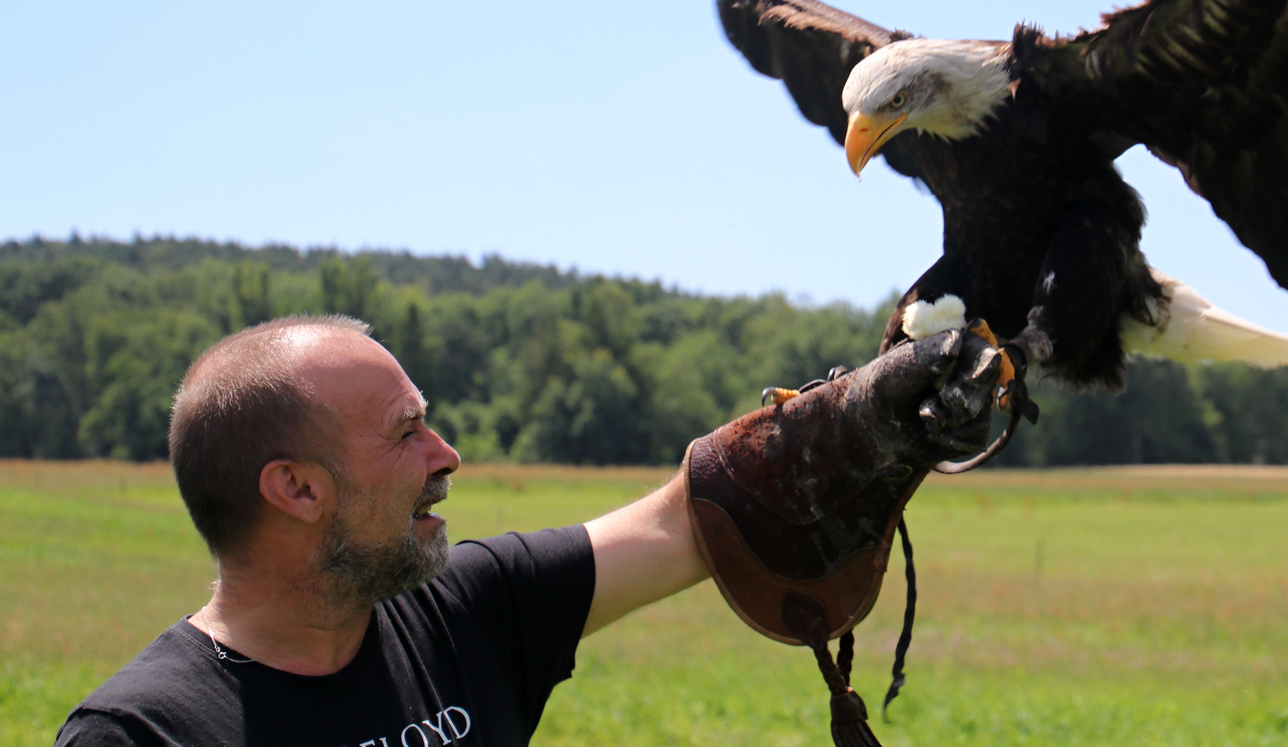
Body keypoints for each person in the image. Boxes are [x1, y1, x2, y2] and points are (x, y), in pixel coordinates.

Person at [54, 312, 1000, 747]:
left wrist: (867, 417)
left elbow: (688, 520)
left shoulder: (469, 610)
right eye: (405, 431)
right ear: (296, 489)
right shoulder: (146, 734)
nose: (447, 453)